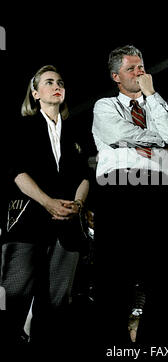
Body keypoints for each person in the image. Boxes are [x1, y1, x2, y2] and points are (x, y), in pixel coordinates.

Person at [92, 45, 168, 345]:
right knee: (114, 276)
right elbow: (119, 133)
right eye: (132, 69)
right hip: (118, 193)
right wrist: (159, 144)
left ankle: (155, 342)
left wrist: (153, 96)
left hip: (157, 193)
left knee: (162, 276)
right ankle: (113, 345)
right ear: (116, 76)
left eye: (142, 67)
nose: (140, 72)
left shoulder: (156, 105)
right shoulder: (104, 106)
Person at [0, 65, 90, 345]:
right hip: (28, 226)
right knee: (14, 299)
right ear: (36, 93)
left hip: (67, 229)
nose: (57, 85)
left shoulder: (76, 132)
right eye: (49, 82)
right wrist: (48, 202)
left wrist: (78, 203)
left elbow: (85, 176)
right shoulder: (22, 128)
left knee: (56, 306)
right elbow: (16, 172)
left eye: (60, 81)